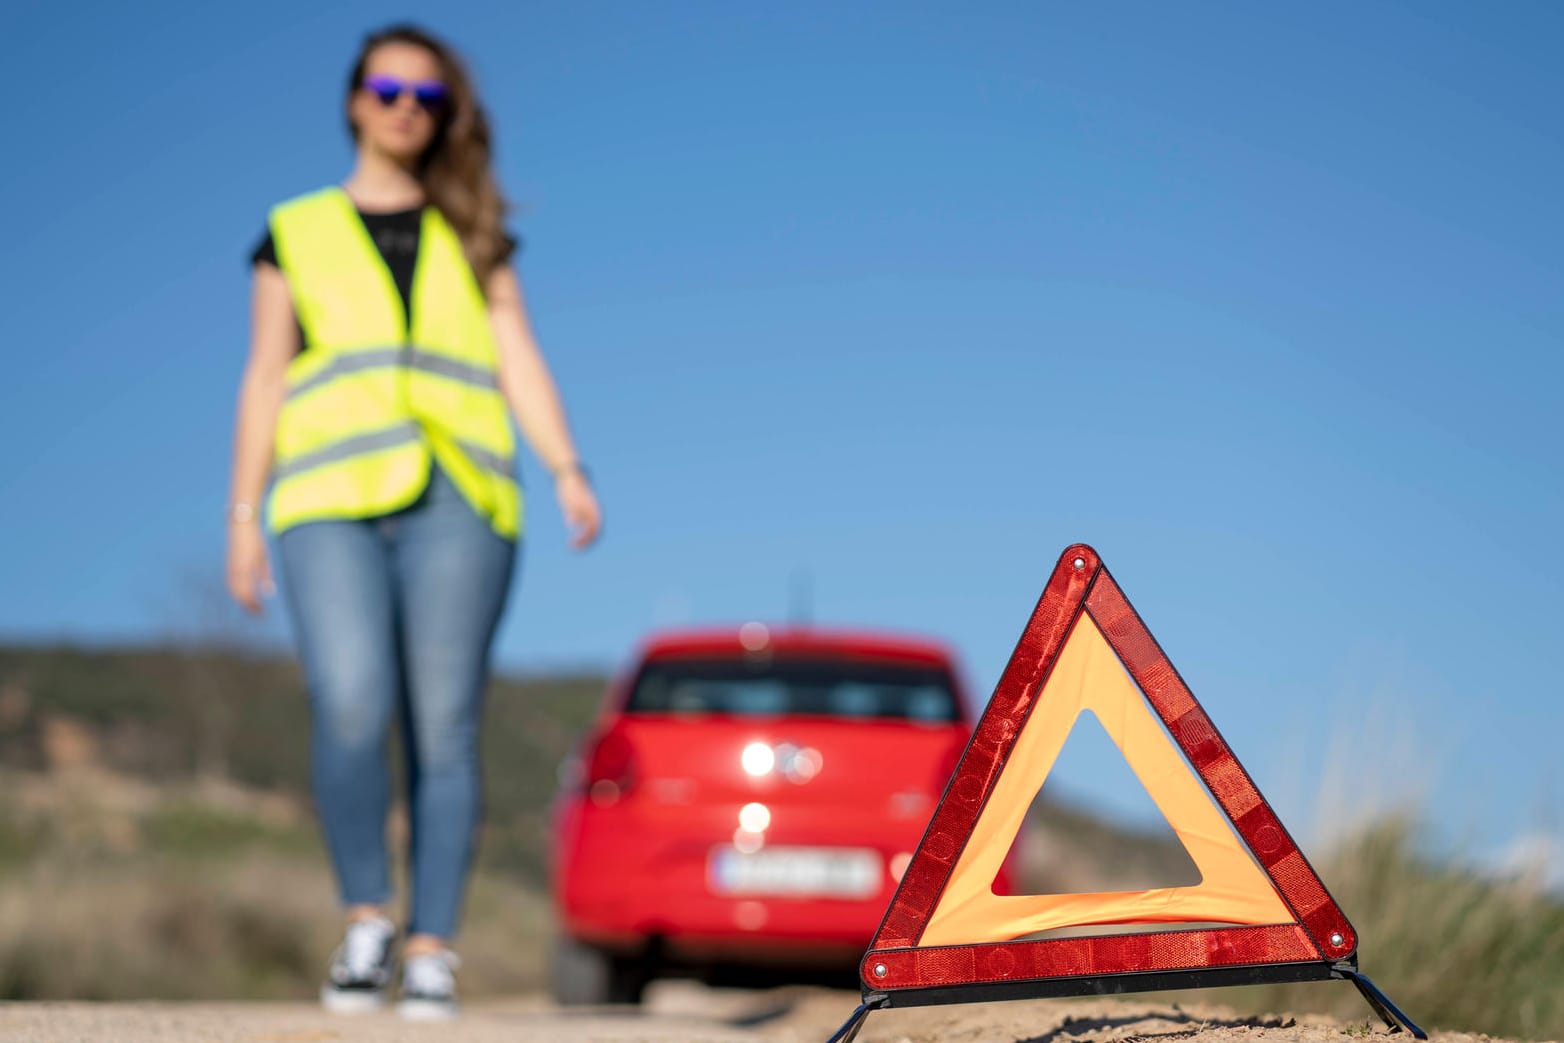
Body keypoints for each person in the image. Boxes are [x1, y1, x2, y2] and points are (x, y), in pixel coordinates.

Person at [224, 23, 601, 1020]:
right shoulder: (293, 229)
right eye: (388, 87)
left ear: (445, 116)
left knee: (445, 722)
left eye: (426, 96)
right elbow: (265, 374)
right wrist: (241, 515)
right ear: (354, 98)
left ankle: (433, 943)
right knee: (350, 701)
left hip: (459, 497)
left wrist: (566, 466)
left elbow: (516, 348)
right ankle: (366, 917)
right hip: (323, 499)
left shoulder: (471, 229)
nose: (404, 106)